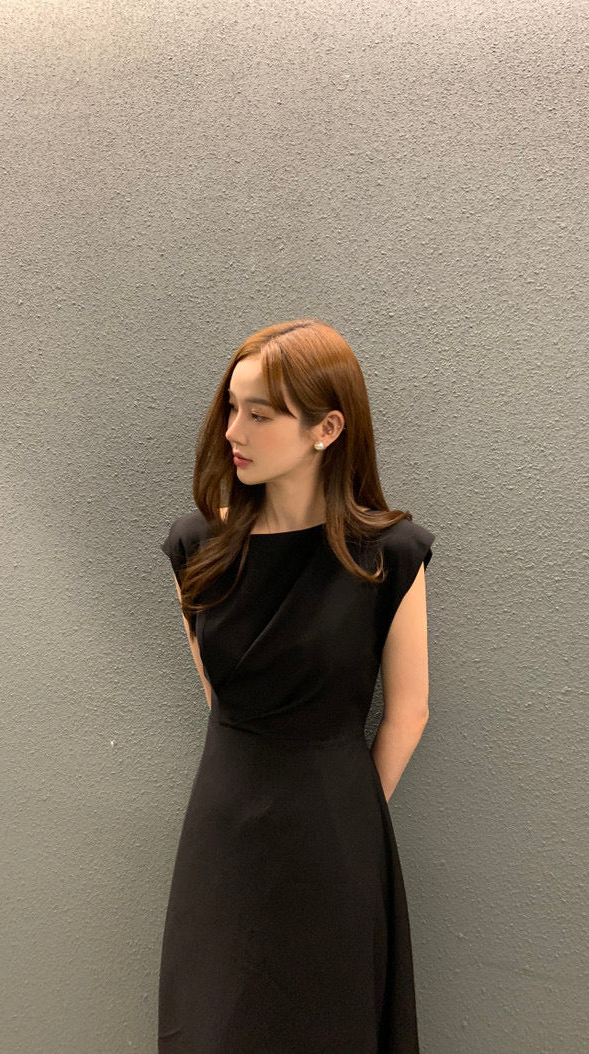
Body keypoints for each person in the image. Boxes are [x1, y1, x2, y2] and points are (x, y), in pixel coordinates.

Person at [157, 318, 436, 1053]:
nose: (232, 431)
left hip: (334, 836)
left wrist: (345, 812)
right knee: (212, 1021)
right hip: (224, 833)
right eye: (231, 407)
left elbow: (409, 713)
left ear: (327, 429)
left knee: (327, 1025)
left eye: (259, 413)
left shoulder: (390, 555)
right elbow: (221, 695)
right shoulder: (196, 547)